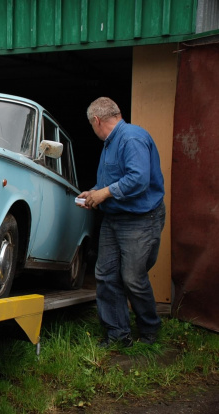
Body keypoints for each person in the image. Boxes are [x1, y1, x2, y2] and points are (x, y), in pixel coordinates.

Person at [78, 97, 165, 347]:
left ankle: (150, 329)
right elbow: (114, 178)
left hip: (139, 219)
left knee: (132, 278)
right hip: (114, 217)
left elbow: (138, 179)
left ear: (96, 121)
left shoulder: (131, 138)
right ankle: (117, 333)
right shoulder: (110, 143)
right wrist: (94, 191)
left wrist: (103, 194)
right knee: (105, 275)